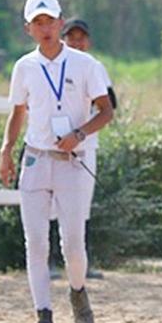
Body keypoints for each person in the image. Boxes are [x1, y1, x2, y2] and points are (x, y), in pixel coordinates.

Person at [0, 0, 114, 323]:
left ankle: (77, 290)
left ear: (60, 23)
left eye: (50, 21)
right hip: (36, 158)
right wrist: (6, 149)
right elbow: (18, 111)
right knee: (35, 242)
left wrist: (80, 133)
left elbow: (106, 111)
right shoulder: (24, 67)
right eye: (38, 23)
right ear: (28, 29)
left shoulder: (85, 64)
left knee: (73, 243)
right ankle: (43, 319)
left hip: (73, 162)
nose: (45, 28)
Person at [61, 17, 116, 226]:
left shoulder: (95, 67)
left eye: (81, 38)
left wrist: (81, 133)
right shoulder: (52, 65)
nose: (76, 42)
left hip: (84, 147)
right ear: (63, 39)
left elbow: (109, 106)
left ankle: (75, 257)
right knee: (50, 211)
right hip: (52, 146)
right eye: (71, 38)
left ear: (88, 42)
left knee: (79, 211)